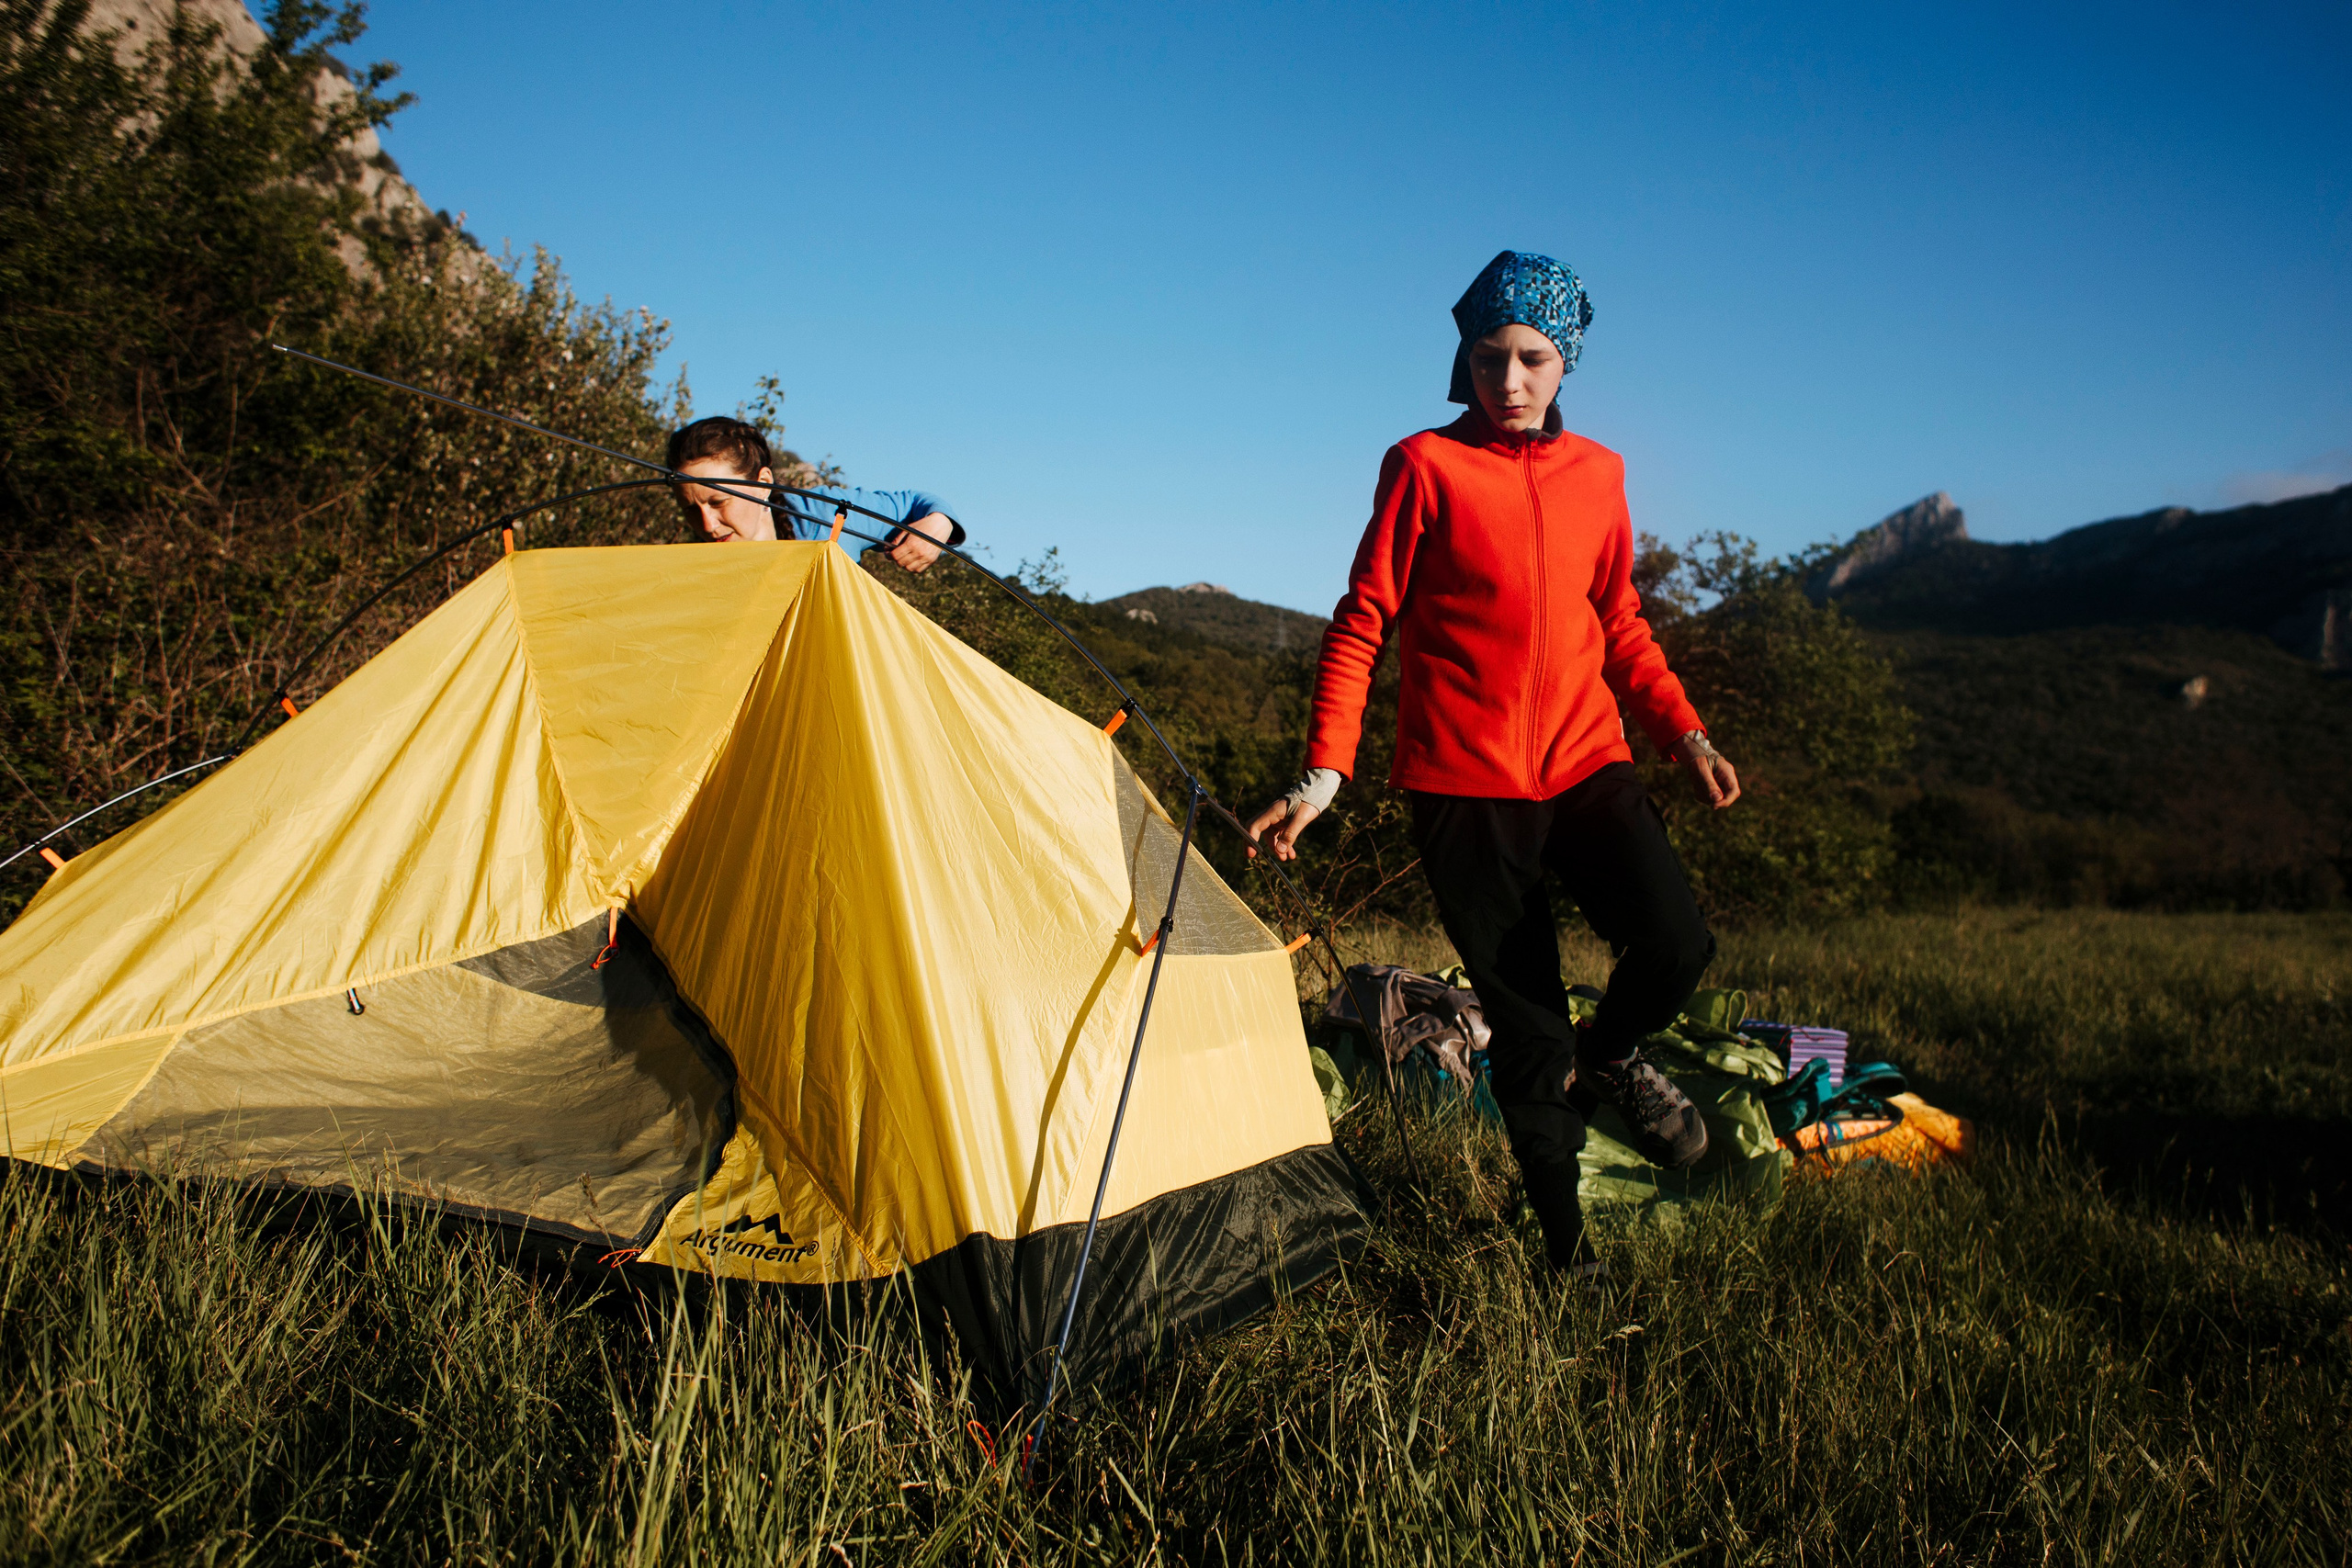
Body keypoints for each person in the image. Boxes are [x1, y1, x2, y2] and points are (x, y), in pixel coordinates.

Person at [1247, 251, 1742, 1278]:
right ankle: (1566, 1255)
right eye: (1485, 359)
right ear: (1462, 362)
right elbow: (1362, 622)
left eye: (1529, 359)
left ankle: (1612, 1057)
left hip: (1586, 761)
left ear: (1564, 366)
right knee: (1523, 1027)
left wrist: (1682, 732)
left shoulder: (1599, 474)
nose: (1506, 382)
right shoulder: (1422, 465)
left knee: (1677, 943)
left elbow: (1621, 621)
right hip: (1462, 788)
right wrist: (1322, 776)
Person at [665, 416, 964, 572]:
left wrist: (937, 525)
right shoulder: (693, 572)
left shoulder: (821, 514)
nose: (706, 524)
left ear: (764, 483)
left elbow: (916, 504)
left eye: (719, 501)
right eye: (690, 508)